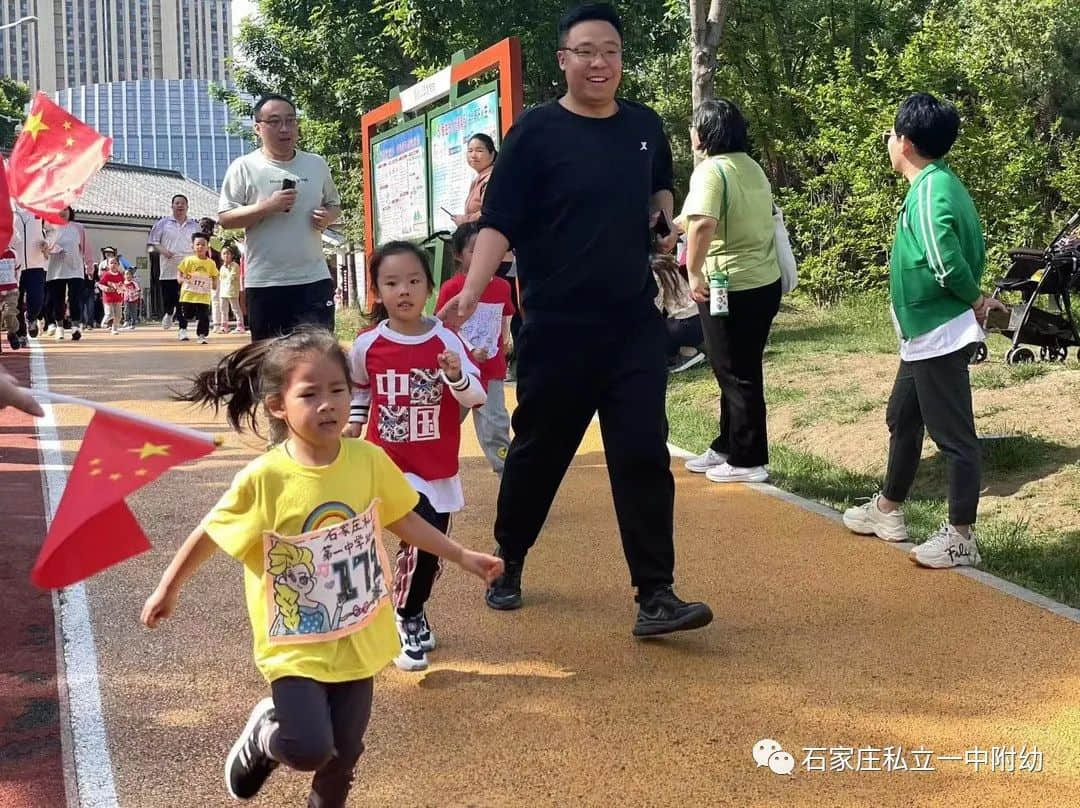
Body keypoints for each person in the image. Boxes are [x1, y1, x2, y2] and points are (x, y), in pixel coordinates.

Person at [438, 2, 712, 636]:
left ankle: (656, 594)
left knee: (642, 452)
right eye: (586, 51)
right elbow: (498, 221)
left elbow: (659, 185)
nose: (600, 62)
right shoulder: (535, 132)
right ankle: (508, 562)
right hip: (558, 327)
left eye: (611, 51)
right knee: (539, 452)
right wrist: (475, 288)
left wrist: (661, 216)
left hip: (631, 325)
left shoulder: (643, 126)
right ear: (564, 59)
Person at [141, 327, 502, 804]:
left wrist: (460, 555)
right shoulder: (267, 477)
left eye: (337, 390)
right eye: (309, 394)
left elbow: (403, 518)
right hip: (294, 639)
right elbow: (211, 531)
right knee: (310, 747)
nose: (328, 404)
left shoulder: (367, 459)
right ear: (277, 406)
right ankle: (267, 735)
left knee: (344, 753)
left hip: (357, 631)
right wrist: (169, 587)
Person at [842, 93, 1005, 569]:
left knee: (954, 436)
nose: (889, 141)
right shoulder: (936, 183)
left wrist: (976, 301)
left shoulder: (931, 190)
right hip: (922, 333)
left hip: (940, 330)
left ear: (907, 143)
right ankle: (888, 510)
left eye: (892, 134)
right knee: (903, 417)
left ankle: (961, 537)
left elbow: (942, 259)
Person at [343, 242, 487, 671]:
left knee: (428, 547)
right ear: (377, 291)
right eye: (391, 283)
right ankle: (398, 615)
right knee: (400, 540)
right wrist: (353, 424)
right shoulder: (367, 344)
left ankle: (409, 609)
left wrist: (455, 374)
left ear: (429, 287)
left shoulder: (446, 340)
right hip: (385, 465)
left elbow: (476, 396)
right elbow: (360, 389)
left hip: (435, 466)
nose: (403, 291)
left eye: (413, 281)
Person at [677, 99, 782, 484]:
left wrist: (692, 272)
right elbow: (697, 216)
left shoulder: (711, 170)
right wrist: (674, 226)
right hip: (761, 282)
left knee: (736, 372)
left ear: (704, 133)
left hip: (728, 284)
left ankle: (749, 458)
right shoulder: (749, 166)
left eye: (693, 127)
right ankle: (728, 444)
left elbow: (703, 223)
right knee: (735, 368)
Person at [218, 94, 341, 340]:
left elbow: (335, 204)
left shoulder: (316, 164)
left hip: (313, 279)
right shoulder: (244, 167)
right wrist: (268, 206)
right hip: (266, 282)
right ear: (258, 128)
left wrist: (327, 217)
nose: (284, 128)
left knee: (318, 358)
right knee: (269, 362)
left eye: (290, 121)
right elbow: (226, 218)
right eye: (274, 122)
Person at [436, 222, 514, 474]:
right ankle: (434, 471)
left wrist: (505, 339)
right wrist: (468, 353)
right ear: (458, 255)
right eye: (473, 250)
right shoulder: (452, 288)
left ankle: (508, 475)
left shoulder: (502, 287)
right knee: (444, 422)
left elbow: (504, 316)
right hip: (458, 372)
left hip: (491, 371)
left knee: (496, 427)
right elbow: (442, 326)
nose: (482, 256)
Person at [449, 134, 521, 348]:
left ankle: (506, 353)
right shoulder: (480, 178)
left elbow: (492, 213)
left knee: (500, 307)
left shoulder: (491, 179)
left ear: (492, 153)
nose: (474, 155)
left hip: (496, 255)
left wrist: (465, 219)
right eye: (470, 150)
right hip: (491, 254)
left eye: (480, 150)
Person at [147, 194, 201, 331]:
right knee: (169, 299)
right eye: (177, 203)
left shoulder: (195, 225)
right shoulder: (162, 224)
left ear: (187, 207)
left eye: (183, 203)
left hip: (187, 269)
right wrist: (164, 251)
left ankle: (183, 328)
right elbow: (152, 243)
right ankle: (169, 313)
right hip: (168, 268)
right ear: (172, 206)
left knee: (183, 299)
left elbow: (200, 244)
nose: (180, 205)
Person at [651, 251, 705, 372]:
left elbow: (655, 307)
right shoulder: (669, 259)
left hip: (687, 324)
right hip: (703, 314)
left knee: (654, 332)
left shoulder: (653, 268)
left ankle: (688, 354)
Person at [44, 207, 85, 342]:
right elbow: (46, 244)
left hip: (75, 269)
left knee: (75, 298)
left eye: (65, 209)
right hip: (56, 270)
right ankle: (59, 327)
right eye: (60, 209)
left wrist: (89, 266)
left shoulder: (78, 227)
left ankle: (75, 327)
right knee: (58, 300)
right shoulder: (50, 226)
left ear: (70, 212)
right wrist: (55, 249)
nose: (62, 212)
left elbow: (86, 247)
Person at [176, 233, 219, 344]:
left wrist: (215, 284)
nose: (200, 247)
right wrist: (180, 279)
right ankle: (182, 329)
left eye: (203, 244)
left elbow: (215, 276)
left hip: (203, 296)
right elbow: (180, 271)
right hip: (188, 294)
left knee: (203, 316)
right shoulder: (188, 260)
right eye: (197, 244)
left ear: (207, 247)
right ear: (193, 246)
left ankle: (202, 335)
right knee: (187, 315)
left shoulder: (211, 263)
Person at [12, 204, 47, 341]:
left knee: (37, 298)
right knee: (16, 300)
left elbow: (53, 230)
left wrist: (47, 242)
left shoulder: (40, 208)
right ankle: (20, 333)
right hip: (15, 263)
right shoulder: (9, 208)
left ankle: (31, 317)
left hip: (36, 263)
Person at [199, 217, 224, 331]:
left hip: (214, 273)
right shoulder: (198, 241)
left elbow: (220, 258)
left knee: (215, 298)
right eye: (203, 226)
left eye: (206, 226)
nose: (205, 229)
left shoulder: (215, 240)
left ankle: (217, 323)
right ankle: (203, 321)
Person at [217, 244, 244, 333]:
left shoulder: (235, 265)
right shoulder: (222, 267)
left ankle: (240, 326)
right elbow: (221, 279)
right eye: (224, 254)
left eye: (228, 253)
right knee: (223, 309)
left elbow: (232, 277)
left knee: (235, 308)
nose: (226, 255)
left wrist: (227, 267)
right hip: (223, 291)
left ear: (232, 255)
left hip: (232, 291)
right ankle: (224, 326)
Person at [97, 255, 125, 336]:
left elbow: (123, 285)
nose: (113, 265)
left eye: (115, 263)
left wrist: (122, 289)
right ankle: (104, 323)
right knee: (110, 313)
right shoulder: (106, 275)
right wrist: (106, 288)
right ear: (108, 265)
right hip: (108, 298)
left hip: (118, 298)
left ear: (118, 265)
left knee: (118, 315)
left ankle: (114, 329)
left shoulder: (120, 275)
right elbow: (100, 284)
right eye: (111, 263)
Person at [0, 246, 19, 350]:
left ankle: (12, 333)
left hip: (11, 290)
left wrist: (16, 285)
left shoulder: (13, 253)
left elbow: (17, 270)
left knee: (9, 312)